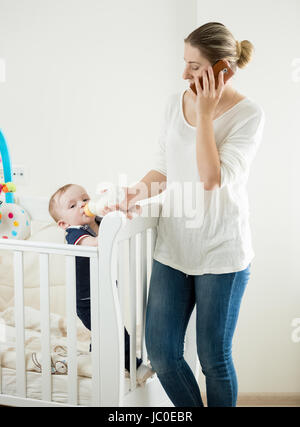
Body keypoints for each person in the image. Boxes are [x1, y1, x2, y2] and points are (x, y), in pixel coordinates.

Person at [104, 22, 265, 406]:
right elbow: (164, 167)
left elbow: (212, 178)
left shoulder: (249, 115)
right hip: (174, 247)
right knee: (163, 353)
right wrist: (134, 193)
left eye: (194, 66)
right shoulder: (173, 103)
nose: (184, 74)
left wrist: (207, 115)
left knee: (213, 359)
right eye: (184, 63)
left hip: (222, 253)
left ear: (222, 69)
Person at [48, 183, 154, 386]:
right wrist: (110, 224)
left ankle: (95, 360)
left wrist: (114, 207)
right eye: (72, 206)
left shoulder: (97, 220)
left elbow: (118, 222)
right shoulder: (74, 234)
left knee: (103, 333)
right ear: (63, 224)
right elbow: (96, 243)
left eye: (85, 199)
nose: (82, 205)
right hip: (88, 302)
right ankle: (137, 367)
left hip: (105, 292)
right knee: (115, 332)